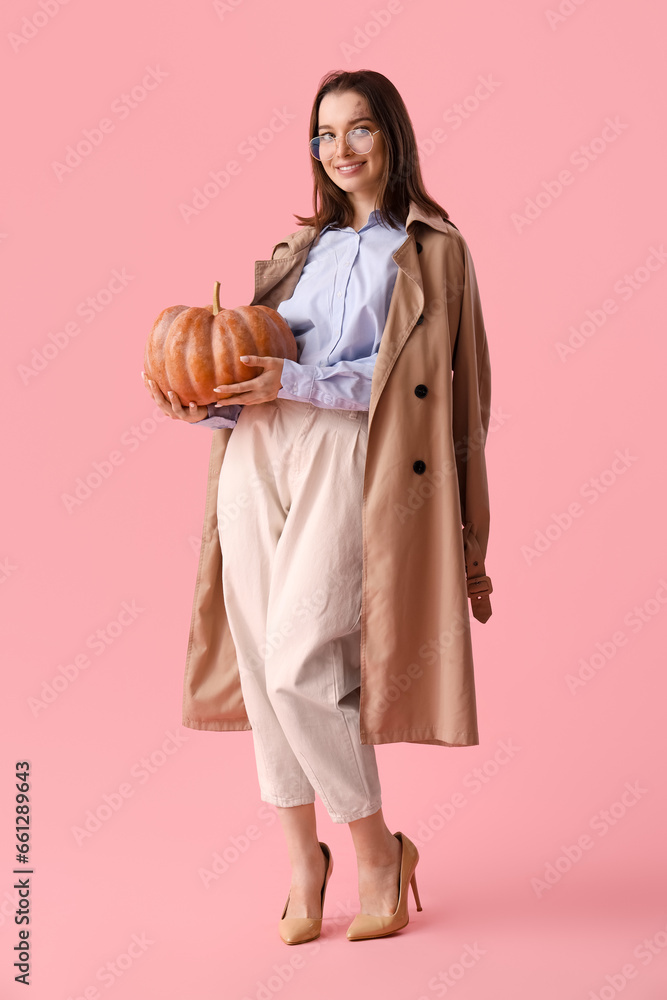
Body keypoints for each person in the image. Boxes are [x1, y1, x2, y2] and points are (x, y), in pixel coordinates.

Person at [142, 68, 493, 944]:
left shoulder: (433, 251)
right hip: (259, 448)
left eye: (358, 130)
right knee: (262, 660)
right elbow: (248, 354)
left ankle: (379, 851)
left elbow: (445, 394)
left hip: (354, 453)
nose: (340, 150)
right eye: (323, 136)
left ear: (392, 137)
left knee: (304, 657)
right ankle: (304, 862)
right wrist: (206, 399)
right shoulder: (296, 253)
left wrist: (471, 537)